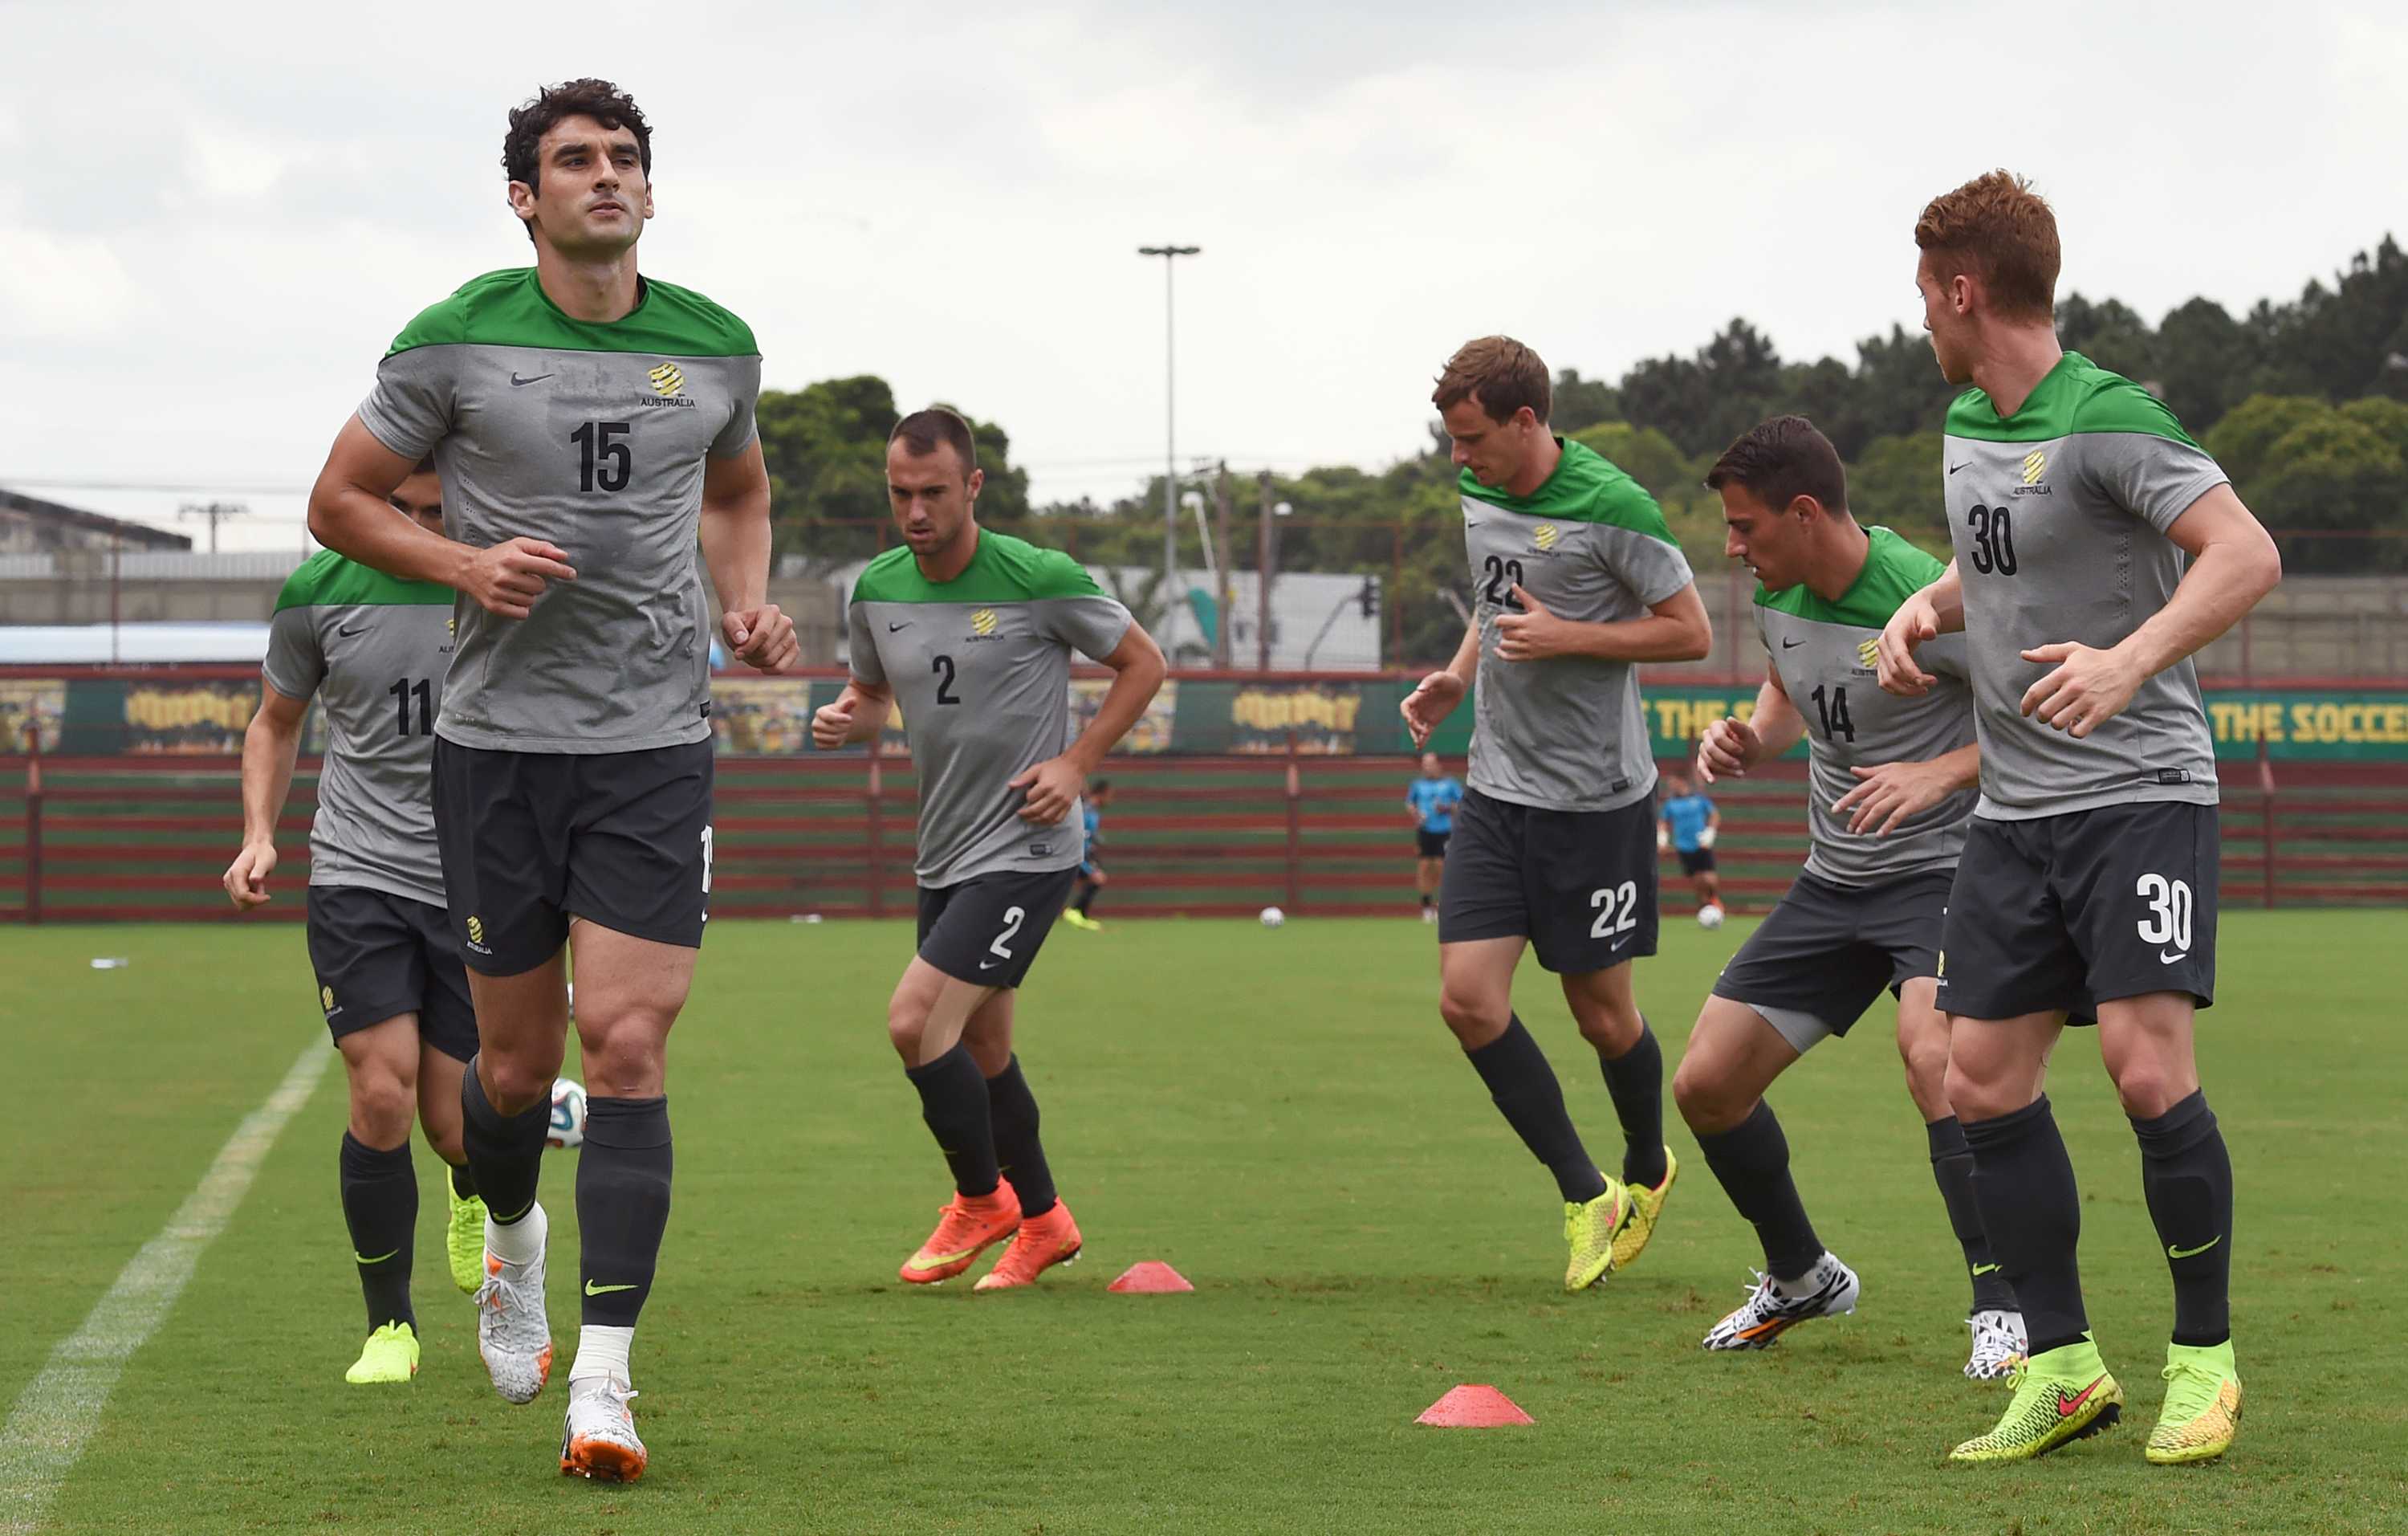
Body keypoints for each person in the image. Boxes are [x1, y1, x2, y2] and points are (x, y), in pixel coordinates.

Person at [304, 79, 799, 1482]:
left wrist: (746, 602)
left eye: (625, 159)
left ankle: (607, 1380)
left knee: (628, 1045)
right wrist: (464, 563)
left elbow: (739, 490)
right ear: (524, 196)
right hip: (496, 751)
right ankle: (514, 1234)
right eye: (574, 161)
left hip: (651, 744)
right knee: (511, 1077)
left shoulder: (715, 345)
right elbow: (336, 499)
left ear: (650, 188)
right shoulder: (454, 336)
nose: (604, 177)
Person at [1876, 171, 2281, 1466]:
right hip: (2017, 811)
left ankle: (2204, 1363)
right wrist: (1928, 603)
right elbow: (1999, 555)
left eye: (1924, 296)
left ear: (1962, 288)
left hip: (2139, 793)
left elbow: (2246, 552)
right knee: (1974, 1071)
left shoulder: (2111, 418)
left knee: (2145, 1066)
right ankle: (2061, 1368)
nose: (1920, 323)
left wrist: (2128, 659)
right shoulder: (1963, 422)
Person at [1669, 415, 2024, 1379]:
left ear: (1806, 511)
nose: (1732, 547)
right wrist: (1748, 738)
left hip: (1945, 874)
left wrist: (1939, 774)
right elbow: (1788, 692)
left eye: (1745, 527)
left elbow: (2035, 714)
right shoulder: (1779, 591)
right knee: (1704, 1084)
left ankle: (2006, 1303)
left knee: (1934, 1060)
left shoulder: (1926, 594)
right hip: (1835, 879)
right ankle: (1802, 1275)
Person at [813, 408, 1165, 1291]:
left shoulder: (1037, 577)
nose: (916, 509)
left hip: (1028, 848)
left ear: (973, 486)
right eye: (901, 493)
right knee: (983, 1051)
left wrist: (1078, 763)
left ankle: (983, 1197)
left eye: (934, 491)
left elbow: (1145, 663)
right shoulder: (878, 591)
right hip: (945, 851)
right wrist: (844, 717)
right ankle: (1045, 1219)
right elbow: (870, 696)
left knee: (912, 1021)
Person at [1399, 336, 1712, 1292]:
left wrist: (1569, 635)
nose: (1460, 458)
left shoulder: (1615, 508)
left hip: (1596, 806)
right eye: (1451, 439)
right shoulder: (1479, 490)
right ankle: (1587, 1192)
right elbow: (1498, 605)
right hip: (1496, 792)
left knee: (1602, 1016)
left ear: (1527, 421)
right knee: (1467, 999)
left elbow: (1691, 632)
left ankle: (1648, 1162)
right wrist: (1461, 671)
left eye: (1473, 438)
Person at [223, 461, 488, 1386]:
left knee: (456, 1125)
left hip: (476, 883)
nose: (415, 528)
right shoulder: (316, 592)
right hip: (357, 873)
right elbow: (275, 720)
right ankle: (391, 1328)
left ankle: (467, 1180)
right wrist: (260, 833)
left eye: (436, 513)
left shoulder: (505, 578)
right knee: (381, 1091)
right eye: (398, 510)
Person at [1405, 752, 1463, 923]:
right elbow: (1409, 803)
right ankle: (1426, 906)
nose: (1427, 767)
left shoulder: (1450, 783)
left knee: (1441, 866)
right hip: (1425, 830)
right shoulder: (1418, 785)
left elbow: (1461, 803)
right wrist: (1416, 814)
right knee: (1424, 866)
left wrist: (1446, 808)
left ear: (1438, 765)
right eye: (1425, 764)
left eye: (1430, 764)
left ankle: (1443, 905)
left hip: (1444, 831)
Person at [1656, 772, 1720, 913]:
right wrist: (1662, 840)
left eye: (1674, 782)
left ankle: (1714, 898)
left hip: (1701, 843)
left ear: (1682, 782)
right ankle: (1704, 907)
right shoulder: (1671, 804)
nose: (1671, 786)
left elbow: (1714, 815)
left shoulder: (1699, 799)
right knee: (1697, 879)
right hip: (1684, 846)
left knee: (1709, 878)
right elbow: (1663, 822)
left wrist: (1710, 834)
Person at [1062, 778, 1114, 931]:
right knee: (1097, 879)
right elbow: (1080, 837)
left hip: (1083, 854)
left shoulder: (1092, 811)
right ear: (1103, 794)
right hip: (1077, 854)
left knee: (1096, 880)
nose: (1111, 799)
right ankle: (1076, 913)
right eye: (1110, 795)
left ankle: (1080, 916)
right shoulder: (1087, 811)